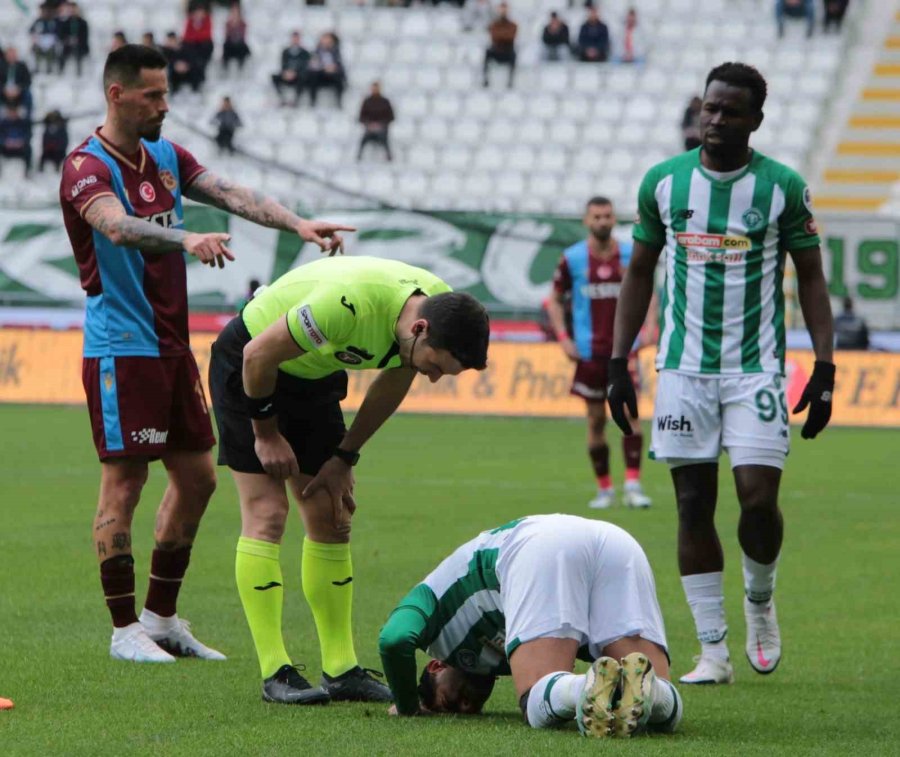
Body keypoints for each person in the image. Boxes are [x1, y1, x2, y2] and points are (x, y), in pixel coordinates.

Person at [58, 43, 352, 664]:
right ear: (117, 95)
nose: (165, 105)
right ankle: (122, 630)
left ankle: (161, 619)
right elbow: (116, 227)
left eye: (166, 93)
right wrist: (185, 236)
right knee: (126, 481)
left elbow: (229, 191)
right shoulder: (86, 166)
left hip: (171, 346)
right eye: (153, 95)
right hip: (120, 347)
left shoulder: (165, 155)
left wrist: (297, 224)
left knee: (197, 477)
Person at [607, 62, 835, 686]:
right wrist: (617, 361)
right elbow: (638, 274)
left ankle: (759, 600)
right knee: (691, 504)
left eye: (730, 111)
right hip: (682, 369)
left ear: (755, 119)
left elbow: (812, 279)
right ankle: (713, 650)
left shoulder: (782, 186)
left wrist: (825, 365)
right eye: (709, 107)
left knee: (759, 500)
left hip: (756, 368)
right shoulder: (663, 183)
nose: (714, 120)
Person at [207, 254, 490, 705]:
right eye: (436, 366)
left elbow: (393, 383)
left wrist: (344, 456)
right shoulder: (348, 305)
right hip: (252, 366)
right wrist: (265, 433)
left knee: (331, 516)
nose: (433, 377)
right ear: (420, 331)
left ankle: (341, 670)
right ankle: (274, 670)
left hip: (314, 378)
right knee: (268, 512)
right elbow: (257, 354)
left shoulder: (435, 307)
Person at [378, 514, 683, 738]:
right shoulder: (501, 659)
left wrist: (408, 707)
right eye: (467, 708)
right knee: (657, 695)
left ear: (435, 667)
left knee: (535, 701)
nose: (467, 706)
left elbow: (393, 639)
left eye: (447, 702)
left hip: (537, 545)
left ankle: (584, 686)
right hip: (617, 543)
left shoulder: (434, 616)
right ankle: (653, 694)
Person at [546, 197, 652, 510]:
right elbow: (553, 300)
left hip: (626, 351)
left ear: (613, 219)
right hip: (590, 354)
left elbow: (650, 291)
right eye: (597, 216)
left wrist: (651, 325)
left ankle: (633, 485)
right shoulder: (573, 258)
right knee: (595, 422)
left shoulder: (631, 254)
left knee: (632, 418)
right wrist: (564, 338)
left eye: (607, 216)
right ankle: (605, 489)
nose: (603, 221)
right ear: (586, 220)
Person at [356, 81, 394, 162]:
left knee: (384, 139)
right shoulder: (367, 101)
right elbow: (361, 117)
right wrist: (369, 124)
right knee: (363, 140)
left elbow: (391, 117)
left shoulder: (385, 102)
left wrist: (380, 125)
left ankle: (389, 157)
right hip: (369, 128)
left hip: (382, 128)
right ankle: (359, 156)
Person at [271, 31, 310, 108]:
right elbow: (283, 64)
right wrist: (286, 73)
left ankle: (296, 100)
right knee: (274, 77)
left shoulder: (305, 52)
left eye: (297, 38)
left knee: (303, 77)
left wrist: (295, 73)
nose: (295, 40)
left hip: (298, 75)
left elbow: (305, 66)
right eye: (294, 38)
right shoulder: (285, 51)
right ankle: (281, 98)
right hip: (287, 74)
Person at [483, 2, 517, 89]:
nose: (503, 12)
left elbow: (511, 36)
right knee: (487, 52)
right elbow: (494, 36)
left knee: (514, 54)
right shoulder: (494, 24)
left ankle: (510, 81)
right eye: (501, 9)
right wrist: (504, 35)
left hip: (507, 51)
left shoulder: (512, 24)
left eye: (504, 9)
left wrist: (500, 35)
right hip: (497, 51)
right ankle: (485, 79)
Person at [308, 32, 345, 108]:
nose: (326, 41)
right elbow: (313, 65)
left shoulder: (335, 52)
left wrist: (334, 68)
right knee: (313, 75)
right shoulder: (316, 52)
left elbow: (340, 65)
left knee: (339, 77)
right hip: (320, 74)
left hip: (332, 74)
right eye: (325, 39)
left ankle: (339, 102)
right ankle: (312, 101)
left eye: (328, 39)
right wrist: (324, 68)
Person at [57, 2, 90, 76]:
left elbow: (85, 36)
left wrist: (77, 40)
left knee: (78, 54)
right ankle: (60, 73)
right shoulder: (65, 23)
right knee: (61, 55)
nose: (72, 11)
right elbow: (61, 35)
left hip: (80, 46)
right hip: (68, 45)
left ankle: (79, 74)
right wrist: (68, 40)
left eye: (74, 9)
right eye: (71, 9)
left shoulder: (83, 23)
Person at [0, 106, 33, 176]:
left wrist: (21, 142)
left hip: (20, 148)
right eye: (11, 112)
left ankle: (28, 171)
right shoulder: (3, 123)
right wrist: (5, 142)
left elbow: (29, 135)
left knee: (28, 149)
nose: (13, 114)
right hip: (6, 148)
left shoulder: (24, 123)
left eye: (14, 111)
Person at [30, 2, 59, 74]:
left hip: (50, 42)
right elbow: (31, 30)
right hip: (40, 41)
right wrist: (35, 36)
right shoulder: (38, 21)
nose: (44, 13)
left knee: (51, 50)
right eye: (43, 11)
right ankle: (37, 66)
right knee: (36, 49)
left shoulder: (53, 21)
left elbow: (57, 32)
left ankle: (49, 67)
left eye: (46, 11)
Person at [222, 3, 251, 72]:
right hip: (230, 46)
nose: (234, 14)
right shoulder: (228, 24)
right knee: (226, 45)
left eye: (236, 12)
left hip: (239, 46)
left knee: (242, 46)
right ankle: (225, 68)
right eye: (233, 12)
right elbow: (227, 37)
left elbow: (242, 37)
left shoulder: (243, 24)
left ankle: (241, 66)